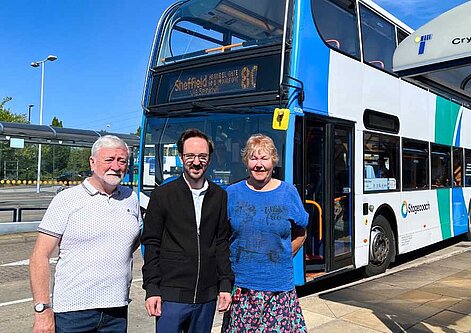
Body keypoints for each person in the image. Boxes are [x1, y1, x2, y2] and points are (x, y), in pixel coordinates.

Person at [30, 135, 142, 333]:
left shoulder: (131, 198)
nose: (116, 166)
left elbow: (131, 243)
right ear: (92, 162)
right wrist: (42, 310)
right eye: (109, 160)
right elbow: (39, 256)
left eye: (122, 160)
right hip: (73, 313)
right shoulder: (66, 200)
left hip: (116, 311)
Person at [141, 128, 233, 333]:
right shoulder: (163, 195)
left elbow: (221, 242)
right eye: (190, 156)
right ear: (181, 157)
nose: (196, 162)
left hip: (207, 297)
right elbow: (152, 243)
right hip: (171, 296)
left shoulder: (219, 196)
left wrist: (225, 284)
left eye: (202, 156)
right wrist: (152, 289)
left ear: (209, 159)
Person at [223, 133, 308, 332]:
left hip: (278, 287)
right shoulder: (232, 193)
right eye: (253, 158)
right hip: (242, 287)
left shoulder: (288, 193)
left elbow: (301, 232)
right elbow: (221, 237)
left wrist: (286, 254)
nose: (259, 164)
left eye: (264, 158)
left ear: (273, 161)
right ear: (246, 162)